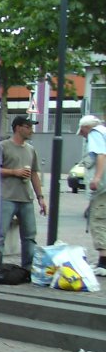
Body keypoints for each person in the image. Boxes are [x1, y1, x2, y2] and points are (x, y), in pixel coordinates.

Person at [0, 115, 46, 271]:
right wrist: (14, 172)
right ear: (18, 128)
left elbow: (34, 174)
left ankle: (28, 268)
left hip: (26, 198)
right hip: (6, 197)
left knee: (29, 236)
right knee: (0, 235)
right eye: (28, 127)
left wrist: (40, 197)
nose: (31, 130)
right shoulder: (3, 146)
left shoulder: (30, 149)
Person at [76, 114, 106, 276]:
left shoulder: (95, 133)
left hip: (102, 188)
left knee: (98, 220)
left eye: (82, 132)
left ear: (87, 127)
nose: (82, 135)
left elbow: (101, 155)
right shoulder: (104, 131)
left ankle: (103, 263)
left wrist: (97, 178)